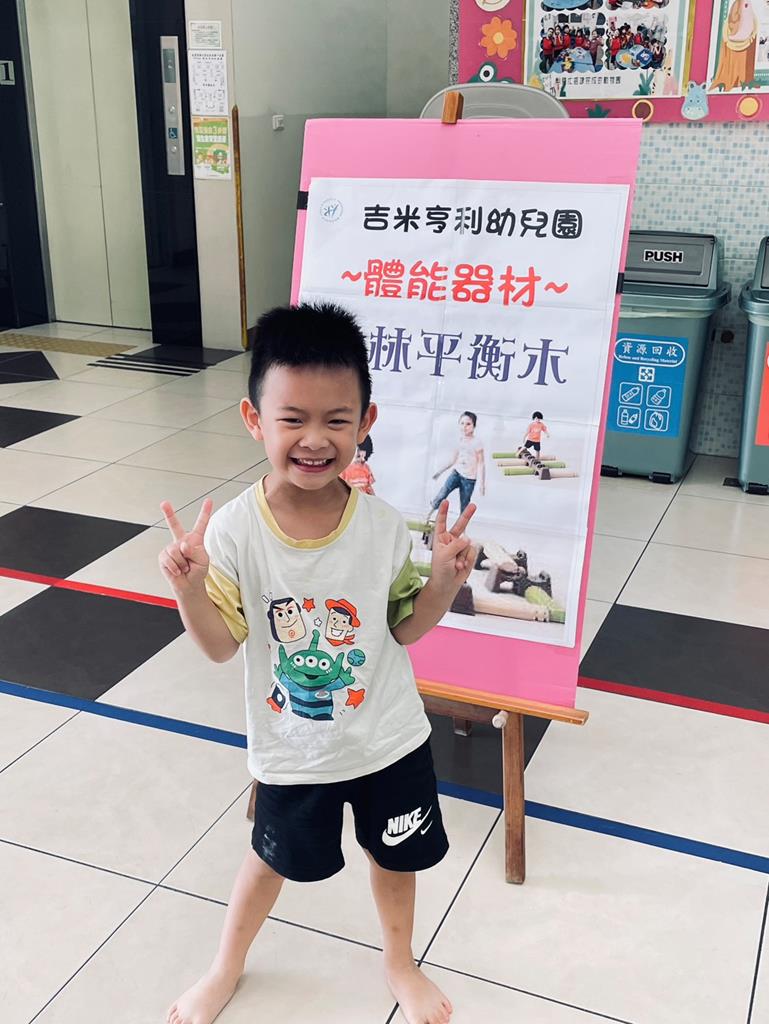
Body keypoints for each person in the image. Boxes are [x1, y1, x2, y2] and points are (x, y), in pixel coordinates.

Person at [158, 302, 477, 1024]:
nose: (314, 439)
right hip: (293, 747)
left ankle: (399, 963)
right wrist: (189, 589)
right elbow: (219, 646)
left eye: (336, 420)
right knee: (269, 858)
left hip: (388, 738)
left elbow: (404, 630)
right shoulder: (234, 532)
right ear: (254, 420)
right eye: (292, 418)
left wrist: (440, 584)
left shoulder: (382, 526)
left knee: (395, 858)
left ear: (366, 421)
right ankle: (225, 966)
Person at [429, 411, 485, 517]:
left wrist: (482, 484)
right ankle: (429, 514)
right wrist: (439, 472)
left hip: (469, 479)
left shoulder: (477, 443)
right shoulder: (459, 440)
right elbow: (452, 460)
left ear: (474, 426)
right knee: (443, 493)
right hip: (457, 473)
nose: (464, 427)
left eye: (468, 424)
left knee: (464, 504)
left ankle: (462, 526)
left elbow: (481, 463)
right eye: (462, 423)